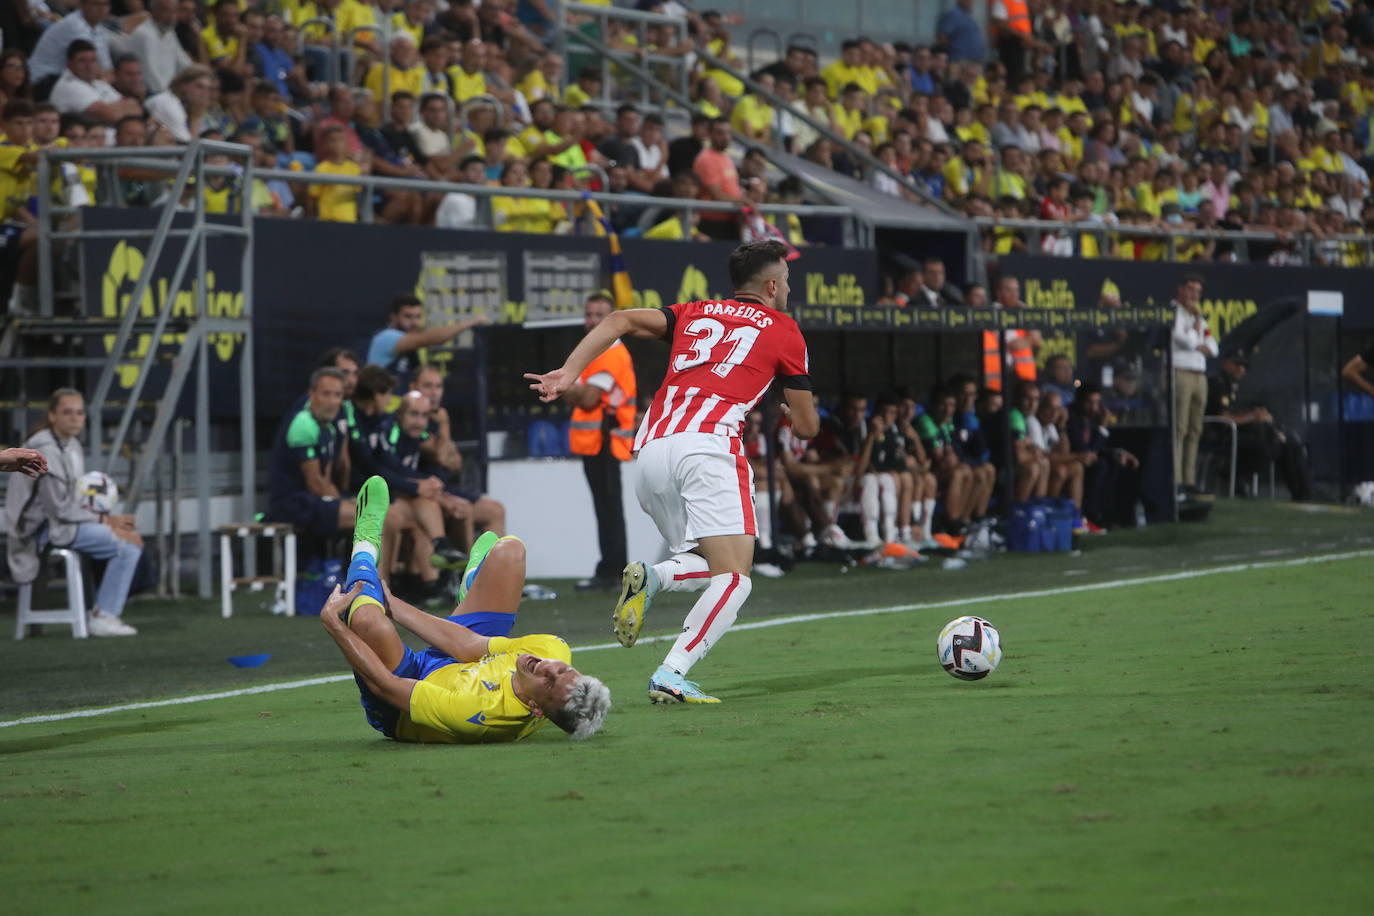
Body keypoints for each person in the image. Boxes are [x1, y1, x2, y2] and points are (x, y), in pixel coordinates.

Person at [525, 240, 819, 704]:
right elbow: (806, 427)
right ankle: (672, 672)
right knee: (736, 577)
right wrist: (788, 409)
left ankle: (654, 577)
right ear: (770, 285)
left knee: (706, 564)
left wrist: (567, 372)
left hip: (652, 450)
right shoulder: (784, 330)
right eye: (786, 280)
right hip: (709, 448)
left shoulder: (694, 311)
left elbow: (618, 318)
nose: (788, 287)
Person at [323, 476, 611, 744]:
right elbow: (466, 645)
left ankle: (364, 545)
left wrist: (336, 626)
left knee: (368, 622)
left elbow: (386, 685)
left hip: (399, 701)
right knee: (510, 551)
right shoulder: (552, 651)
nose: (547, 667)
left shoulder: (478, 715)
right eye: (562, 670)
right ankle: (473, 587)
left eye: (549, 682)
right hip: (464, 662)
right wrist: (395, 606)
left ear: (535, 709)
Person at [4, 388, 142, 637]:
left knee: (129, 535)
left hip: (58, 522)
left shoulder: (72, 445)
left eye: (80, 413)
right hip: (38, 530)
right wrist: (108, 521)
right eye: (67, 412)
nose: (75, 418)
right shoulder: (45, 449)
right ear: (53, 415)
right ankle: (104, 616)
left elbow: (71, 501)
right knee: (127, 546)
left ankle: (103, 609)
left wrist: (108, 522)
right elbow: (59, 508)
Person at [558, 293, 637, 591]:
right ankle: (611, 569)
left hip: (606, 438)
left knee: (609, 507)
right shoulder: (595, 352)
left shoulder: (611, 353)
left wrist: (564, 386)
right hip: (598, 440)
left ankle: (614, 571)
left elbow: (589, 398)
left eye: (599, 315)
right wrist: (573, 387)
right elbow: (584, 393)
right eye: (589, 314)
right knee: (606, 507)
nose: (592, 321)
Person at [266, 367, 356, 540]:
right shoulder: (303, 424)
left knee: (384, 515)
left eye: (337, 395)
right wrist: (342, 503)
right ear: (312, 394)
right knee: (370, 518)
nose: (332, 402)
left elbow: (327, 480)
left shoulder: (329, 428)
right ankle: (360, 567)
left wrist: (342, 500)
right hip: (291, 504)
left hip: (313, 502)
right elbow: (315, 484)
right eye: (326, 394)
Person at [1206, 354, 1311, 501]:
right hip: (1223, 434)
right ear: (1226, 364)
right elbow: (1225, 418)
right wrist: (1252, 417)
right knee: (1267, 445)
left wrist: (1258, 415)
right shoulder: (1218, 384)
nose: (1240, 369)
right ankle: (1230, 474)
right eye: (1236, 365)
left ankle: (1302, 493)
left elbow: (1238, 412)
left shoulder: (1235, 387)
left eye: (1243, 366)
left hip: (1241, 431)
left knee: (1289, 442)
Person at [364, 294, 489, 392]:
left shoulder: (411, 346)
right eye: (408, 316)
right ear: (393, 317)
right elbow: (429, 338)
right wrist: (470, 323)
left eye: (418, 316)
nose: (414, 322)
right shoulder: (386, 338)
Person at [1170, 274, 1217, 496]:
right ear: (1180, 290)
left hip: (1200, 375)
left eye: (1198, 292)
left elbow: (1213, 346)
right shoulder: (1174, 313)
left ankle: (1189, 480)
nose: (1194, 295)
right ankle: (1176, 479)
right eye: (1190, 290)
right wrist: (1197, 327)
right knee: (1179, 428)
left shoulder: (1198, 316)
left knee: (1195, 429)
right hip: (1181, 373)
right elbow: (1186, 341)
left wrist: (1198, 337)